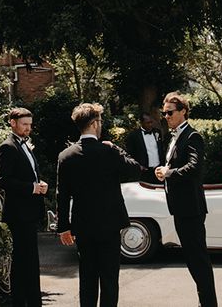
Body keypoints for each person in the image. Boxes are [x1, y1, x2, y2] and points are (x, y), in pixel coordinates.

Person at [56, 102, 142, 307]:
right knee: (109, 279)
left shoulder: (65, 156)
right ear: (94, 124)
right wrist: (116, 148)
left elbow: (62, 195)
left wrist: (63, 227)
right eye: (100, 121)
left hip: (83, 225)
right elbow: (136, 169)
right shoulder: (108, 152)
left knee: (87, 278)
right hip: (110, 223)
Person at [155, 92, 218, 307]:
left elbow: (194, 167)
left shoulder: (192, 136)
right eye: (164, 113)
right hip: (180, 209)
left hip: (191, 208)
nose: (166, 116)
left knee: (198, 261)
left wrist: (169, 173)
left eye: (170, 112)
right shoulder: (174, 136)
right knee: (193, 260)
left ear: (183, 111)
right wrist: (163, 171)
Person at [0, 107, 49, 307]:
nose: (28, 128)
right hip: (19, 214)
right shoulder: (8, 147)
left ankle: (32, 301)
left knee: (30, 261)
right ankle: (24, 302)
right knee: (23, 261)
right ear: (13, 123)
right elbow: (2, 180)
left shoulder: (24, 145)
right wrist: (32, 188)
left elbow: (28, 174)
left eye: (29, 125)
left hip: (30, 212)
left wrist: (39, 184)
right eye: (24, 124)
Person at [124, 111, 165, 183]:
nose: (150, 125)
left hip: (158, 171)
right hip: (144, 172)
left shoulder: (157, 132)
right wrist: (139, 166)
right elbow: (129, 154)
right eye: (147, 123)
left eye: (151, 122)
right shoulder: (133, 136)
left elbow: (161, 150)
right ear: (141, 123)